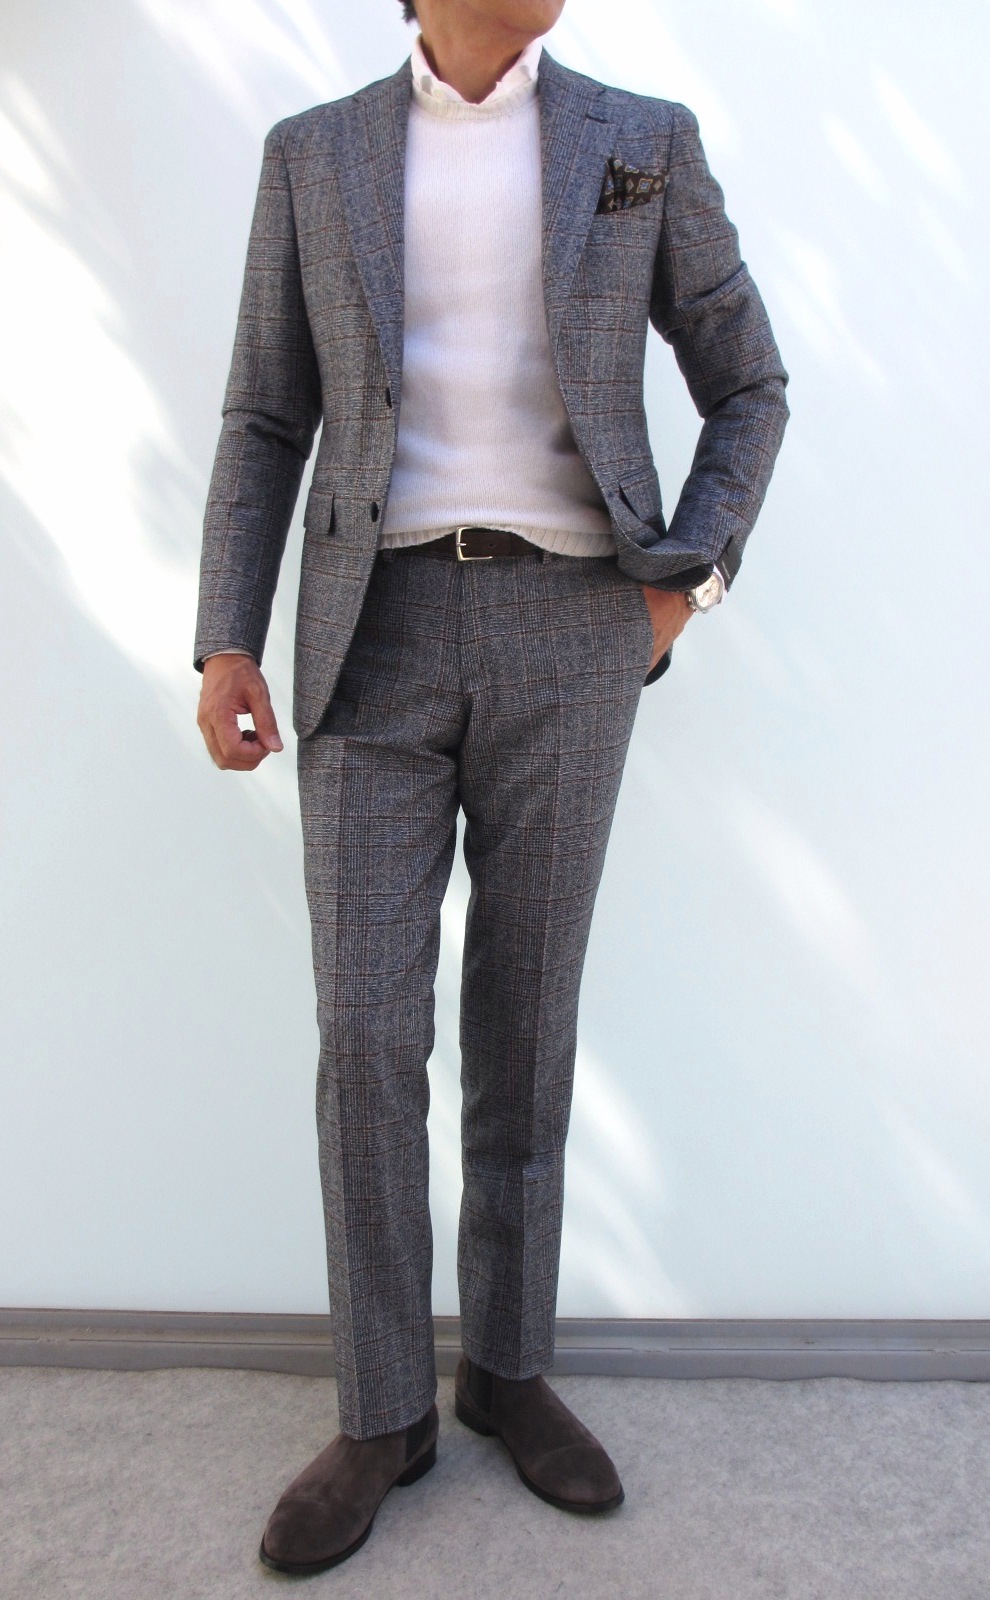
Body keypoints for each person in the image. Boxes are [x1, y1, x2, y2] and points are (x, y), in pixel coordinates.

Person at [194, 0, 788, 1575]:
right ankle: (382, 1409)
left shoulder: (639, 141)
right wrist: (225, 638)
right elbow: (265, 413)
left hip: (571, 625)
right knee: (366, 1034)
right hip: (369, 634)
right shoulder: (313, 155)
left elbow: (749, 383)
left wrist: (681, 589)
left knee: (524, 1024)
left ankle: (508, 1371)